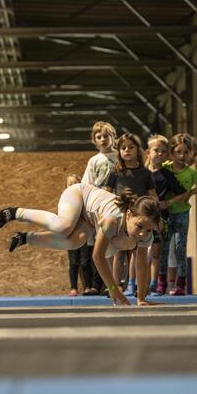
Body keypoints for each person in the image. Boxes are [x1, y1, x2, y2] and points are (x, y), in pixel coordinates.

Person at [0, 184, 159, 307]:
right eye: (139, 227)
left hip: (90, 219)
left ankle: (25, 238)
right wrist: (113, 287)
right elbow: (97, 256)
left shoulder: (145, 235)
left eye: (148, 230)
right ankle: (16, 212)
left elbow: (141, 265)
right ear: (129, 214)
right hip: (79, 194)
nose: (142, 234)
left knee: (75, 242)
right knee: (64, 227)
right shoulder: (112, 220)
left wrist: (142, 299)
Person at [162, 133, 197, 296]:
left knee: (179, 248)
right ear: (172, 152)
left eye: (185, 152)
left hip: (182, 213)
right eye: (178, 152)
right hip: (166, 214)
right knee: (164, 248)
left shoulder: (190, 173)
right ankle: (164, 283)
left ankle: (180, 284)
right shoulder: (165, 167)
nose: (182, 156)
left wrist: (191, 192)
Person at [106, 132, 156, 297]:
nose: (127, 150)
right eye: (123, 147)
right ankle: (116, 287)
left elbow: (152, 196)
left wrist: (156, 217)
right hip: (122, 217)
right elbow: (106, 194)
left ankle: (136, 286)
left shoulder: (145, 173)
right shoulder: (115, 172)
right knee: (119, 253)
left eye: (131, 147)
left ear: (138, 150)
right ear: (119, 151)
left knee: (139, 253)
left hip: (140, 217)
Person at [146, 134, 189, 295]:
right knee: (140, 251)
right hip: (140, 218)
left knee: (158, 252)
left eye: (164, 152)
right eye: (156, 150)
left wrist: (168, 203)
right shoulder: (141, 172)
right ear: (148, 152)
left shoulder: (167, 175)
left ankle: (155, 283)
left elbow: (183, 193)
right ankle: (134, 283)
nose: (160, 154)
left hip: (160, 217)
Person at [80, 121, 118, 295]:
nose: (103, 140)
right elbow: (86, 184)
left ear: (113, 137)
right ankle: (104, 284)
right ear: (94, 140)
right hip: (99, 206)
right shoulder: (94, 160)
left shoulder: (120, 157)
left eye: (106, 136)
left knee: (118, 248)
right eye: (99, 137)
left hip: (117, 204)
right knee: (101, 246)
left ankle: (119, 282)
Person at [63, 174, 91, 296]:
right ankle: (73, 287)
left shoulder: (85, 200)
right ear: (66, 187)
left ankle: (88, 287)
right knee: (73, 262)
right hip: (71, 234)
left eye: (75, 183)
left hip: (84, 233)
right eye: (70, 184)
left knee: (85, 262)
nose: (73, 186)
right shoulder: (64, 200)